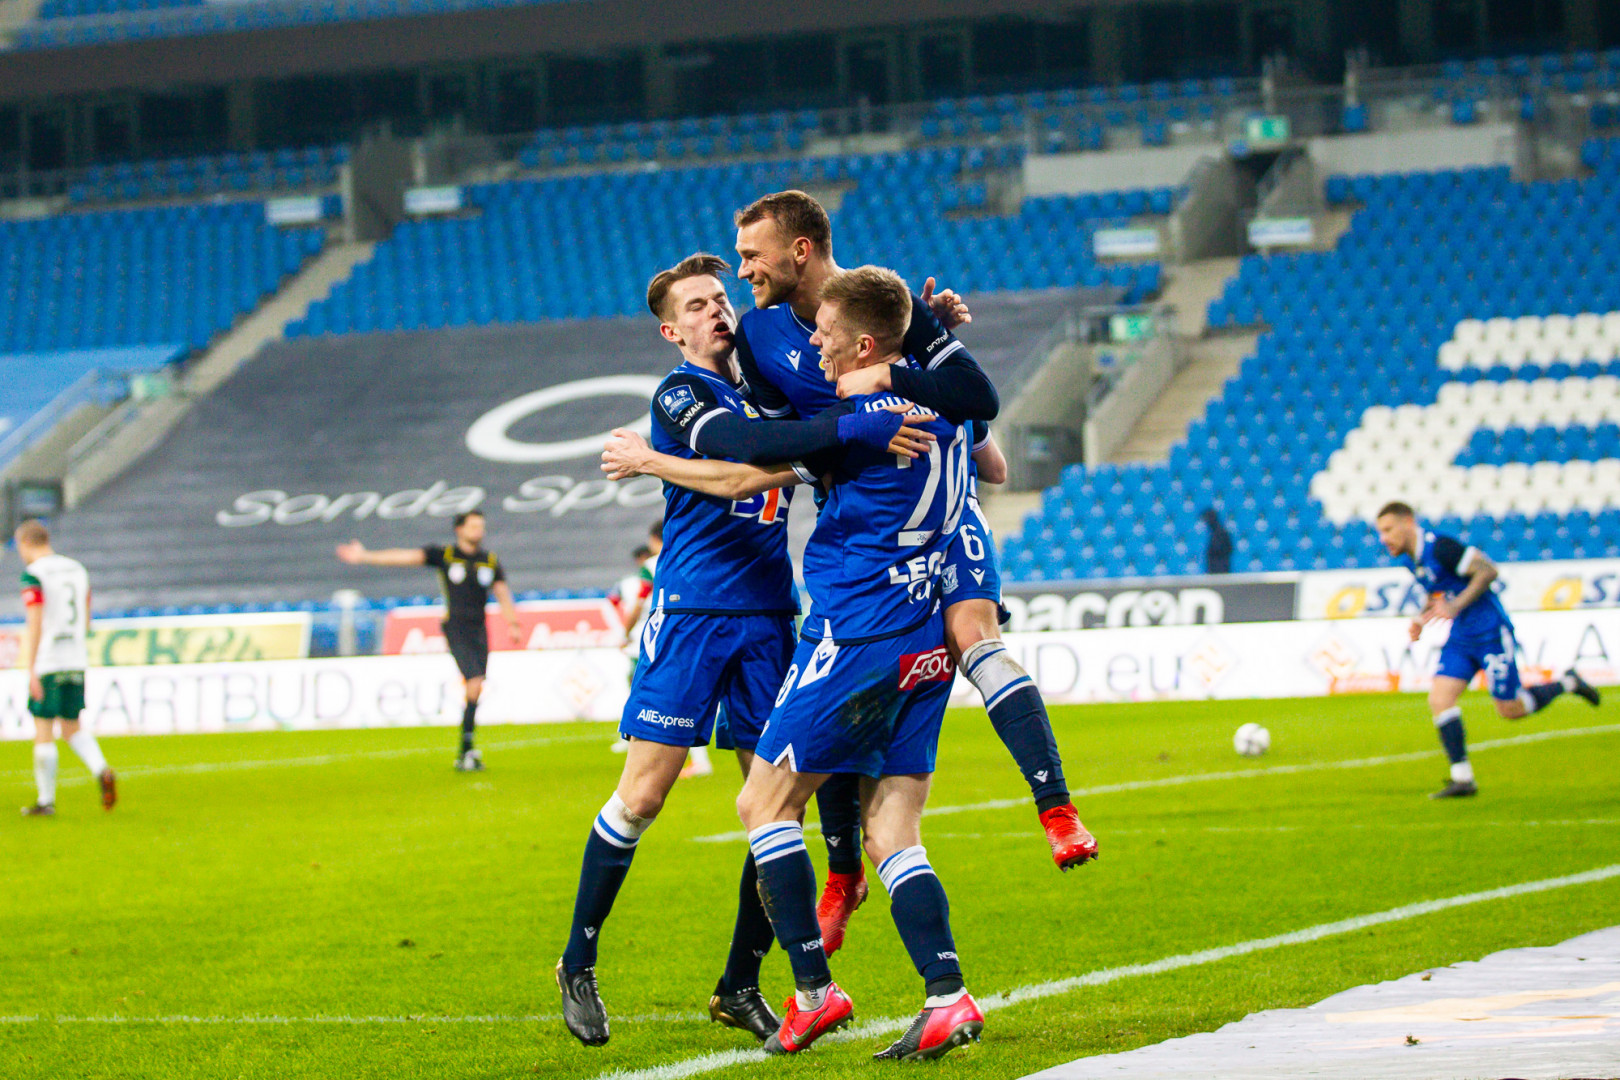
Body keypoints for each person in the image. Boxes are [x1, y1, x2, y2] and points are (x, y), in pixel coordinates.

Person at [604, 266, 987, 1060]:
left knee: (763, 804)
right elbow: (996, 459)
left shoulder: (849, 423)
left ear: (862, 346)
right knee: (893, 830)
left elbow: (746, 464)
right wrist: (929, 340)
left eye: (826, 336)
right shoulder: (937, 410)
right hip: (924, 635)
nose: (811, 347)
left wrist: (649, 460)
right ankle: (946, 995)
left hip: (855, 637)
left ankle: (813, 993)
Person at [724, 189, 1095, 955]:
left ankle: (1055, 807)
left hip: (937, 524)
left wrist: (904, 366)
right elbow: (777, 439)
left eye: (753, 255)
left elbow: (977, 406)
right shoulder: (759, 337)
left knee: (973, 639)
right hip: (861, 527)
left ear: (800, 251)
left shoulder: (883, 302)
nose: (744, 270)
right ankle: (846, 873)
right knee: (846, 706)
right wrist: (852, 427)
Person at [1374, 502, 1599, 798]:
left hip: (1491, 632)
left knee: (1511, 709)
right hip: (1461, 636)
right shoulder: (1411, 560)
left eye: (1388, 530)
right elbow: (1436, 589)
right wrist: (1420, 618)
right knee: (1440, 699)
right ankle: (1463, 779)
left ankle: (1568, 682)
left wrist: (1455, 605)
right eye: (1380, 532)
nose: (1384, 538)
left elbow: (1488, 570)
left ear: (1408, 522)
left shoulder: (1440, 547)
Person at [336, 510, 520, 771]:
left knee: (476, 686)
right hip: (456, 627)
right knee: (474, 682)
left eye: (481, 526)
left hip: (479, 629)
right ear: (459, 529)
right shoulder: (446, 555)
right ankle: (466, 751)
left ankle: (466, 750)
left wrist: (512, 623)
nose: (478, 531)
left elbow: (502, 592)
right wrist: (365, 556)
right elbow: (405, 557)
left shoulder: (489, 561)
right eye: (473, 526)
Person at [16, 519, 116, 817]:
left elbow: (35, 622)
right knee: (72, 726)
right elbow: (86, 619)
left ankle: (45, 801)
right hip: (75, 658)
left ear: (26, 543)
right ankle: (101, 769)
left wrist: (31, 667)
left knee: (44, 727)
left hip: (49, 659)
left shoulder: (34, 574)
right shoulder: (77, 569)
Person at [1201, 506, 1233, 575]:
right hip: (1213, 570)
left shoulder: (1222, 533)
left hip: (1221, 570)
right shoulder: (1212, 533)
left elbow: (1229, 548)